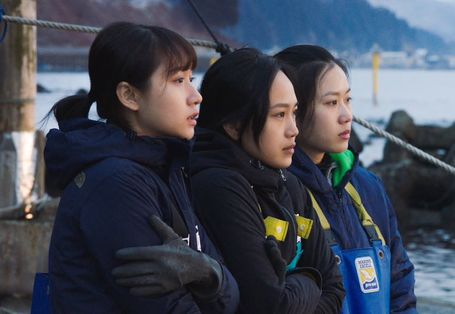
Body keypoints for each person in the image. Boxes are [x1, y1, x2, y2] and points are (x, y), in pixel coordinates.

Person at [44, 22, 239, 313]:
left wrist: (211, 275)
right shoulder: (114, 184)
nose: (195, 96)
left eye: (191, 78)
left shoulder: (167, 166)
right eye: (177, 81)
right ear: (130, 96)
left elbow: (231, 292)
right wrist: (214, 279)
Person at [187, 48, 345, 313]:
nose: (294, 129)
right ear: (234, 125)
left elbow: (336, 289)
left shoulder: (290, 184)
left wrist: (296, 286)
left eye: (294, 112)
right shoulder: (218, 186)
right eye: (279, 115)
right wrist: (311, 280)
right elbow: (271, 305)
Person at [275, 45, 417, 313]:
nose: (346, 115)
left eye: (348, 100)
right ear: (293, 110)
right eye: (331, 103)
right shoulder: (275, 192)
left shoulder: (368, 187)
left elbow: (400, 282)